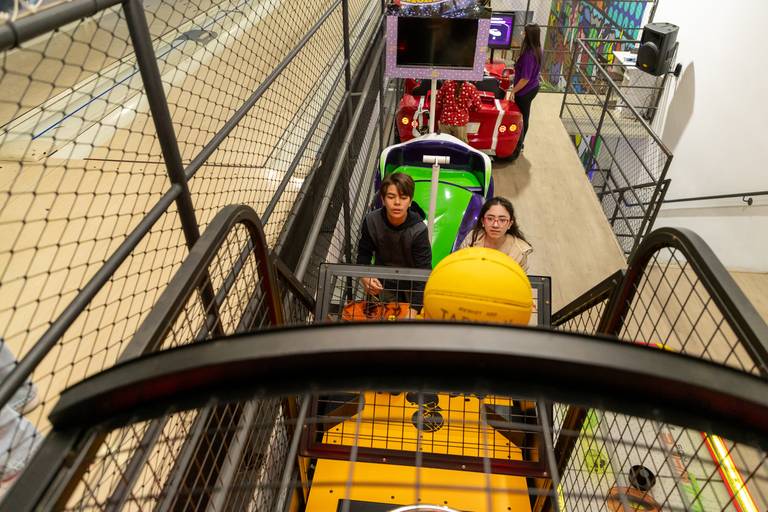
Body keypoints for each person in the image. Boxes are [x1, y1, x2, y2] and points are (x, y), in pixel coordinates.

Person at [356, 173, 432, 315]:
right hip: (382, 286)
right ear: (383, 200)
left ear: (410, 201)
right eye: (391, 197)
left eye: (403, 198)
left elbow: (423, 273)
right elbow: (364, 254)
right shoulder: (371, 221)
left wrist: (414, 309)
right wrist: (364, 275)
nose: (397, 203)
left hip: (411, 289)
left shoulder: (419, 230)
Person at [459, 197, 533, 272]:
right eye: (490, 219)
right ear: (482, 221)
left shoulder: (519, 252)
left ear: (510, 224)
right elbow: (459, 266)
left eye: (502, 220)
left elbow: (519, 278)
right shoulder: (472, 238)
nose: (495, 225)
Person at [507, 24, 542, 158]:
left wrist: (513, 91)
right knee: (524, 116)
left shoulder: (529, 55)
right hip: (533, 87)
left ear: (529, 35)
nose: (522, 34)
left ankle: (517, 146)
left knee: (521, 118)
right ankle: (519, 144)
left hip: (525, 91)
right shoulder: (537, 49)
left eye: (525, 32)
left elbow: (525, 79)